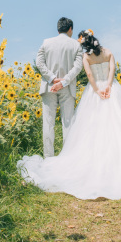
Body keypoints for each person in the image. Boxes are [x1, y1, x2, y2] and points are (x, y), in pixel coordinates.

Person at [18, 30, 121, 200]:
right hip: (111, 90)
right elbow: (112, 70)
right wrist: (109, 87)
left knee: (91, 127)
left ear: (85, 45)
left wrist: (97, 90)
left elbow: (89, 75)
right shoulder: (109, 52)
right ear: (97, 41)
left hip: (94, 92)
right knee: (119, 125)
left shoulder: (86, 57)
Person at [34, 17, 84, 157]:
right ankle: (67, 159)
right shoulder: (76, 45)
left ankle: (48, 158)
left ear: (58, 29)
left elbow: (39, 63)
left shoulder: (46, 43)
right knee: (67, 123)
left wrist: (52, 78)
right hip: (67, 88)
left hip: (48, 87)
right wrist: (63, 81)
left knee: (48, 123)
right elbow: (78, 67)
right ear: (70, 29)